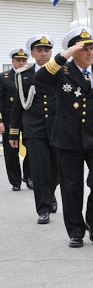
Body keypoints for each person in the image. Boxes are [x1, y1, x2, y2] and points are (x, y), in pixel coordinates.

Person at [35, 27, 93, 248]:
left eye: (91, 48)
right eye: (85, 49)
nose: (90, 53)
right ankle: (75, 231)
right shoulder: (61, 71)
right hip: (68, 139)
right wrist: (63, 56)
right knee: (71, 188)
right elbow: (39, 78)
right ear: (74, 51)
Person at [9, 36, 61, 224]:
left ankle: (51, 194)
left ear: (51, 53)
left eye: (46, 50)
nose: (43, 53)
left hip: (58, 129)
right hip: (35, 130)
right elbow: (19, 103)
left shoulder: (61, 72)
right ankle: (43, 208)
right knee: (39, 170)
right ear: (32, 53)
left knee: (56, 169)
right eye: (38, 50)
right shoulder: (24, 74)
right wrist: (14, 131)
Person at [1, 48, 32, 191]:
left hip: (27, 119)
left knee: (31, 149)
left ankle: (29, 176)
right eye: (18, 60)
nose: (21, 63)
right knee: (11, 151)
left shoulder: (31, 76)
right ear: (12, 61)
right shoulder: (4, 77)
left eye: (23, 60)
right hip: (8, 119)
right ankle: (15, 181)